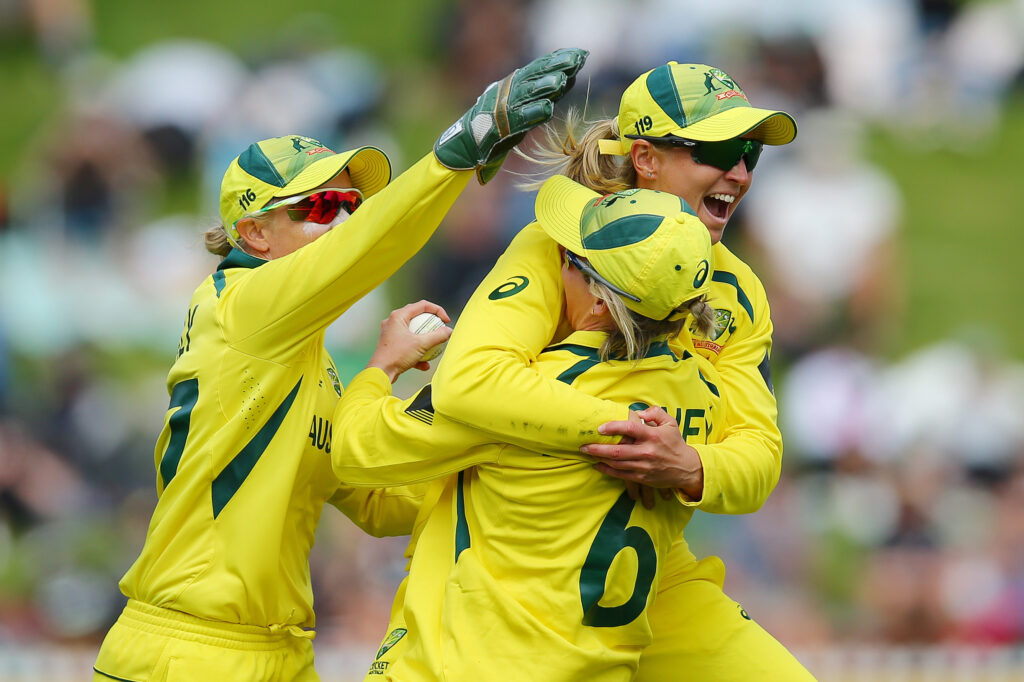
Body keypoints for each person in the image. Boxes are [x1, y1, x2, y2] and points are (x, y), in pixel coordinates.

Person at [91, 47, 589, 682]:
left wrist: (499, 418)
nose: (346, 219)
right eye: (321, 208)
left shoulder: (306, 360)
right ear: (253, 237)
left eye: (350, 204)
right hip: (190, 650)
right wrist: (457, 152)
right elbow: (364, 253)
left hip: (280, 651)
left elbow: (381, 501)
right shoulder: (240, 305)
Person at [426, 61, 817, 680]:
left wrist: (688, 466)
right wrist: (631, 430)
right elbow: (465, 381)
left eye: (750, 152)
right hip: (519, 568)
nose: (740, 173)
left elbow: (760, 457)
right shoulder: (562, 246)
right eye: (717, 149)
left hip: (653, 568)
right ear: (646, 158)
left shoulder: (739, 291)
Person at [333, 178, 725, 680]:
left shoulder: (522, 394)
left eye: (569, 260)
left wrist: (380, 368)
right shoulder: (699, 400)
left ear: (602, 303)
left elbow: (356, 450)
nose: (557, 263)